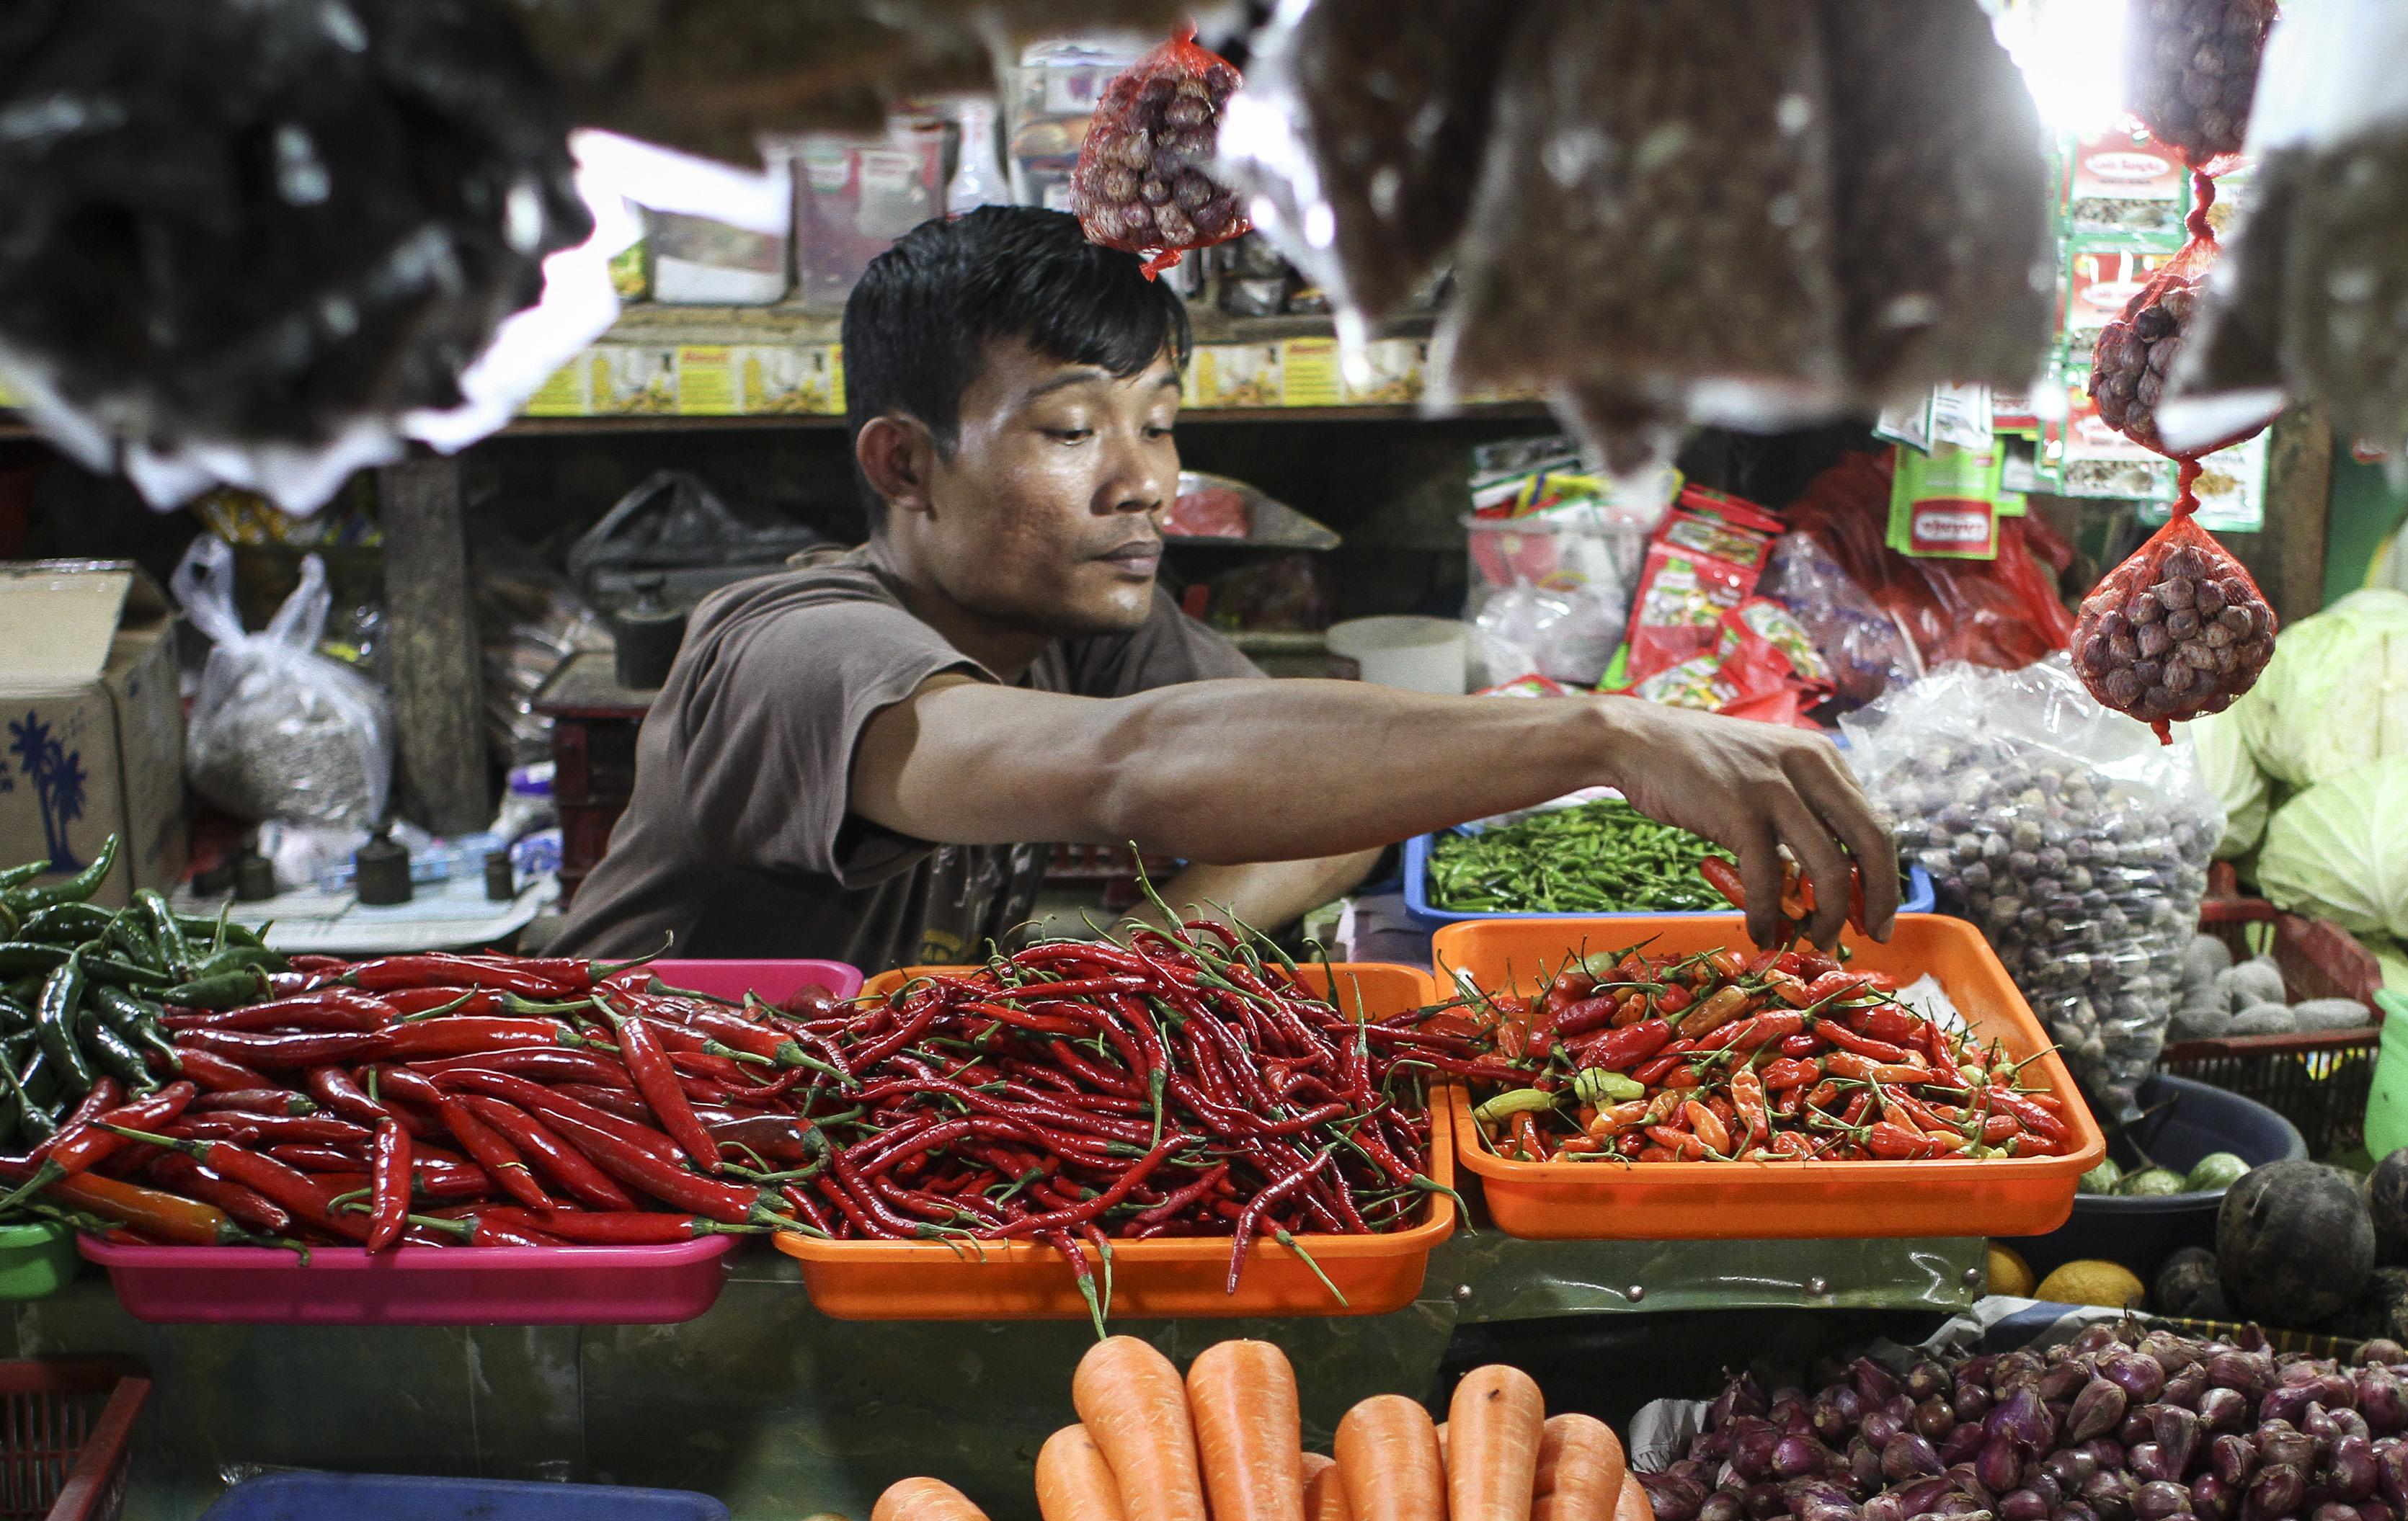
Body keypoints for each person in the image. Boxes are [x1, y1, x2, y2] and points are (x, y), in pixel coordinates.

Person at [559, 208, 1898, 973]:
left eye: (1163, 423)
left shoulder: (1071, 621)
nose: (1147, 481)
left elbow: (1314, 806)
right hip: (583, 1183)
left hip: (815, 1158)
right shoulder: (798, 651)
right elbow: (1131, 770)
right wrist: (1598, 732)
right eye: (1075, 431)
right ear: (905, 462)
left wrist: (1127, 954)